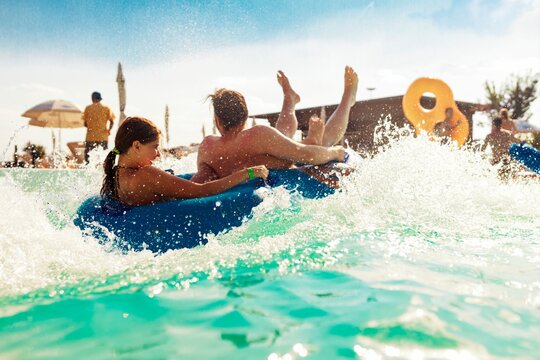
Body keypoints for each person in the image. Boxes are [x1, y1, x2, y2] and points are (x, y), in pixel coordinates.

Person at [191, 66, 358, 183]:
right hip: (293, 160)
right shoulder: (257, 136)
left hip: (283, 163)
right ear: (246, 117)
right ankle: (345, 100)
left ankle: (293, 99)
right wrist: (336, 152)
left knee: (287, 140)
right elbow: (307, 156)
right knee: (322, 143)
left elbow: (199, 183)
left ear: (217, 121)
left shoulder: (207, 146)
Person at [101, 117, 268, 207]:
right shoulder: (147, 175)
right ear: (136, 146)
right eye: (154, 147)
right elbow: (202, 191)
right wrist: (248, 172)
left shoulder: (115, 174)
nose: (158, 154)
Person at [83, 91, 116, 163]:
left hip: (90, 137)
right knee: (103, 159)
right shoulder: (106, 108)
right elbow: (112, 121)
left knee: (88, 160)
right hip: (103, 137)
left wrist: (91, 125)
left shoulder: (88, 108)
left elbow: (85, 124)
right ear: (100, 98)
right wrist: (109, 130)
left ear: (92, 98)